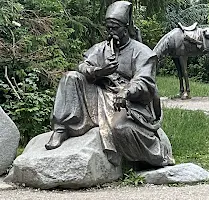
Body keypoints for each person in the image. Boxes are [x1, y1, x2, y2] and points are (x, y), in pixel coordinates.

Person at [45, 1, 174, 167]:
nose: (111, 32)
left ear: (126, 28)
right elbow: (83, 65)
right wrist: (99, 71)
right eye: (108, 28)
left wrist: (126, 91)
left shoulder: (142, 52)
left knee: (121, 129)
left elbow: (144, 81)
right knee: (71, 77)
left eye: (115, 28)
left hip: (128, 101)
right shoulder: (102, 48)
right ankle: (61, 129)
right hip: (99, 92)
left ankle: (150, 157)